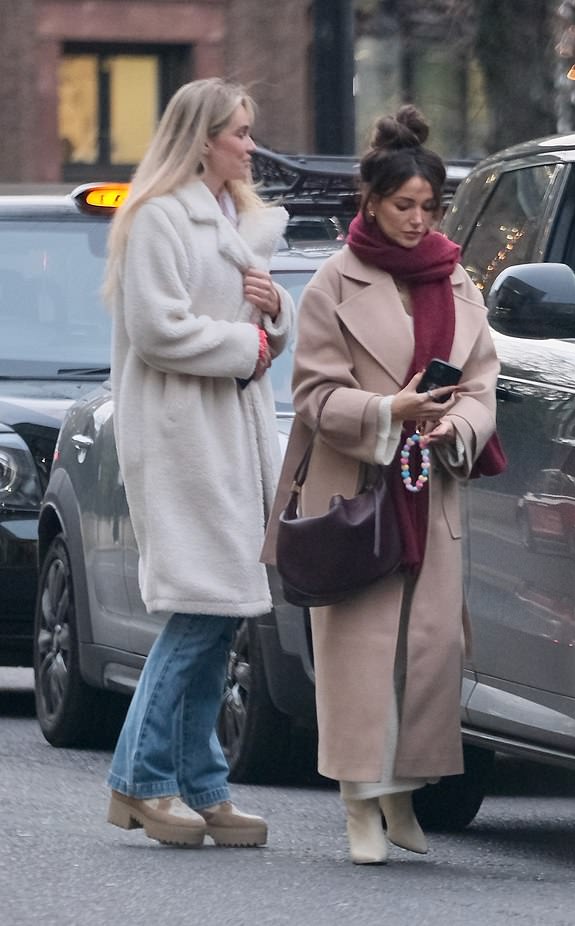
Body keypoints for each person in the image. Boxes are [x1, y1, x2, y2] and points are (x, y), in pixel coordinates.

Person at [262, 105, 502, 864]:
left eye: (429, 208)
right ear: (369, 202)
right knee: (360, 652)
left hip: (431, 483)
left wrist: (455, 426)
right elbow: (315, 396)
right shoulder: (335, 280)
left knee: (428, 651)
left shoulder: (456, 276)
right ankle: (360, 800)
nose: (418, 220)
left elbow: (483, 384)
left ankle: (401, 793)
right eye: (404, 206)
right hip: (355, 486)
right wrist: (387, 410)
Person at [102, 77, 294, 848]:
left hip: (230, 432)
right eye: (239, 132)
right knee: (198, 611)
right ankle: (142, 780)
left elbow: (255, 328)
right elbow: (157, 329)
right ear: (202, 137)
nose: (250, 145)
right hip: (182, 436)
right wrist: (249, 344)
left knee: (222, 615)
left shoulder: (233, 218)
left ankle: (201, 782)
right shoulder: (157, 218)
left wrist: (273, 314)